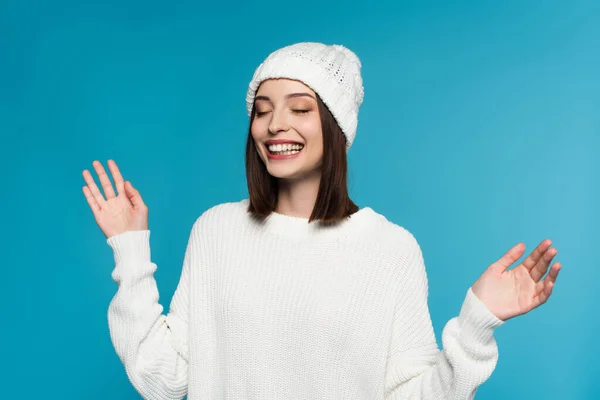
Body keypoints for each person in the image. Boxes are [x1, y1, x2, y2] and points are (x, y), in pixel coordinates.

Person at [81, 42, 561, 400]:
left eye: (300, 109)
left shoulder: (390, 250)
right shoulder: (216, 232)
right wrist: (129, 248)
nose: (275, 126)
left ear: (336, 126)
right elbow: (163, 379)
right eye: (262, 111)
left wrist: (476, 326)